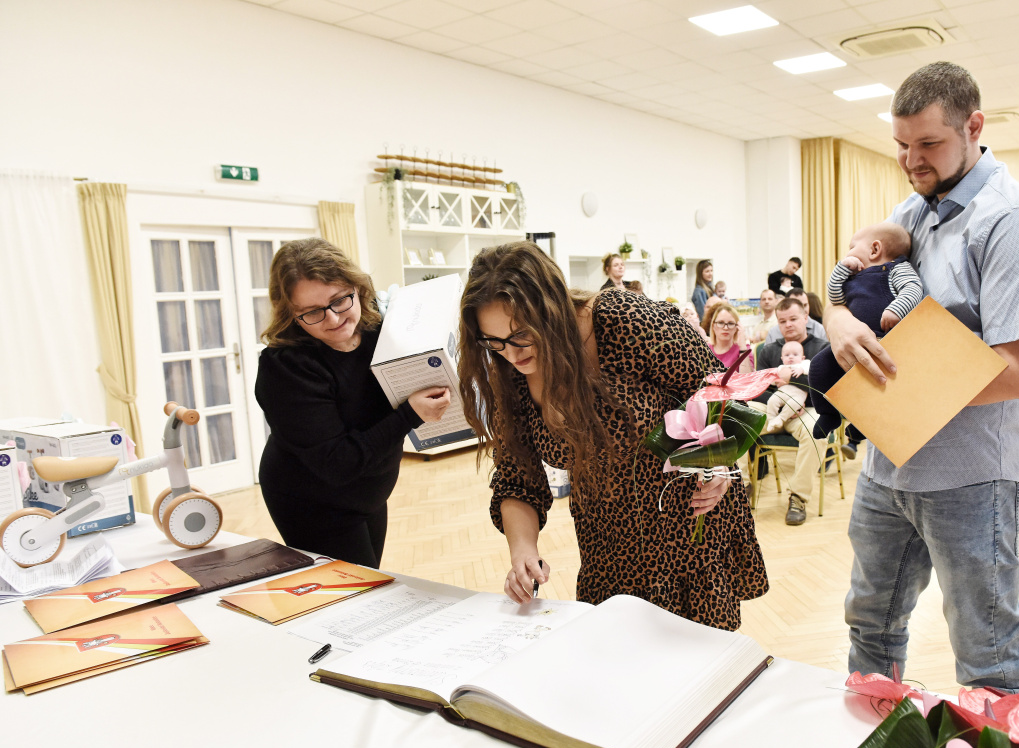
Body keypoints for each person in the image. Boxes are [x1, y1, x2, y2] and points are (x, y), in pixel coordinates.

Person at [824, 62, 1019, 692]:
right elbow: (851, 278)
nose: (911, 161)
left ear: (974, 127)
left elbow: (1018, 374)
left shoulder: (1013, 222)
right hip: (887, 466)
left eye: (927, 143)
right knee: (869, 626)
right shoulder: (913, 208)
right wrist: (837, 318)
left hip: (969, 476)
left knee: (987, 654)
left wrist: (898, 385)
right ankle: (870, 740)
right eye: (901, 145)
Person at [457, 241, 768, 630]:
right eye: (494, 341)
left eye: (522, 334)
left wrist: (718, 462)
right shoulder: (508, 374)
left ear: (551, 308)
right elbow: (516, 477)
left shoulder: (621, 320)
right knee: (617, 651)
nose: (512, 353)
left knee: (695, 655)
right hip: (607, 544)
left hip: (686, 527)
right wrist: (523, 550)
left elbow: (717, 388)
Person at [255, 238, 452, 568]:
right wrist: (409, 415)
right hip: (311, 500)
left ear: (357, 287)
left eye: (339, 300)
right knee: (355, 591)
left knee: (371, 581)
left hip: (370, 489)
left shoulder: (378, 332)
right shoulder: (285, 367)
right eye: (312, 312)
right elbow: (337, 463)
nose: (333, 319)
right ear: (291, 314)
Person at [808, 222, 922, 441]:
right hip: (852, 343)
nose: (848, 253)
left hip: (885, 341)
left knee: (877, 384)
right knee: (819, 366)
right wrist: (841, 269)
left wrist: (896, 310)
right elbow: (835, 297)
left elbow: (913, 289)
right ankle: (828, 413)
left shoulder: (897, 268)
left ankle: (863, 424)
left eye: (852, 247)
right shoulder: (852, 277)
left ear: (875, 249)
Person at [748, 296, 830, 526]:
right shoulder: (768, 350)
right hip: (772, 409)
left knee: (816, 431)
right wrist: (781, 403)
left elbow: (826, 390)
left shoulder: (822, 348)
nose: (788, 325)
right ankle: (741, 486)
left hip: (807, 410)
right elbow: (758, 390)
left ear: (806, 317)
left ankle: (798, 498)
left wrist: (793, 382)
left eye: (793, 319)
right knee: (736, 417)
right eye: (782, 321)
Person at [764, 340, 809, 434]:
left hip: (798, 394)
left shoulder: (804, 364)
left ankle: (781, 418)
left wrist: (802, 369)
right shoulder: (781, 368)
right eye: (787, 355)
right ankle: (771, 419)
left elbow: (810, 368)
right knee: (772, 401)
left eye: (795, 354)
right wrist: (775, 380)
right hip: (782, 392)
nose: (791, 357)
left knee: (794, 404)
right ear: (782, 358)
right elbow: (772, 381)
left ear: (802, 358)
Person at [707, 302, 752, 372]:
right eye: (721, 323)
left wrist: (743, 348)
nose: (725, 328)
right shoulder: (705, 350)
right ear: (713, 326)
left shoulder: (745, 349)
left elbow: (746, 377)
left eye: (730, 323)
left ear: (737, 327)